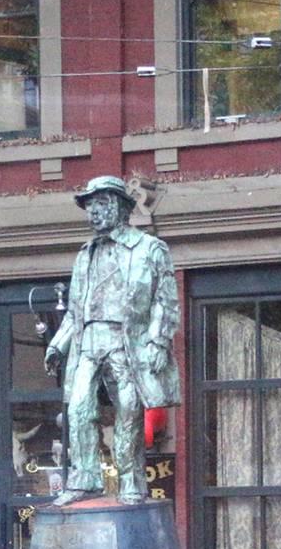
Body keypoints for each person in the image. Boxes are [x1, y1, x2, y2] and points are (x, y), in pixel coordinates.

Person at [45, 175, 180, 506]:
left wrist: (158, 342)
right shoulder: (85, 255)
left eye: (101, 203)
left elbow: (165, 301)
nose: (94, 212)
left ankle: (131, 482)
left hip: (127, 343)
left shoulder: (149, 248)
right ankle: (85, 480)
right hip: (88, 343)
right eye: (90, 206)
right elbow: (75, 310)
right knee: (79, 409)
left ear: (121, 207)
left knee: (129, 413)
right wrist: (58, 344)